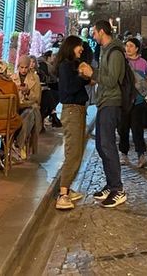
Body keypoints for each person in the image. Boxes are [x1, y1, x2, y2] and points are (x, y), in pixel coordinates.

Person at [85, 19, 127, 208]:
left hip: (112, 101)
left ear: (102, 32)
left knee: (108, 145)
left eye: (95, 32)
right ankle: (111, 185)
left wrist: (92, 73)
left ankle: (118, 189)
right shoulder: (105, 51)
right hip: (104, 101)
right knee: (102, 146)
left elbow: (111, 80)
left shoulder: (115, 52)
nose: (93, 36)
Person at [56, 35, 92, 210]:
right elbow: (69, 89)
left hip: (78, 110)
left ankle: (68, 189)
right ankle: (63, 194)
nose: (82, 49)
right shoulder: (65, 66)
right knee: (72, 151)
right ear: (71, 47)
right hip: (71, 110)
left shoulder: (71, 65)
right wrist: (81, 76)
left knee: (77, 151)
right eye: (79, 46)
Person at [119, 37, 147, 167]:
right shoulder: (122, 62)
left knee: (137, 129)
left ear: (137, 48)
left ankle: (141, 155)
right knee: (123, 128)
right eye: (126, 45)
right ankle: (123, 153)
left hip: (138, 101)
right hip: (125, 101)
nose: (128, 48)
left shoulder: (143, 63)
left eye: (131, 46)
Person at [13, 55, 42, 159]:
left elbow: (37, 98)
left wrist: (28, 92)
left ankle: (18, 145)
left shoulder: (35, 78)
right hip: (16, 107)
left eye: (26, 67)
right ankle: (15, 143)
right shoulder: (13, 78)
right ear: (18, 67)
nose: (24, 70)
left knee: (28, 115)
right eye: (21, 67)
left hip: (30, 107)